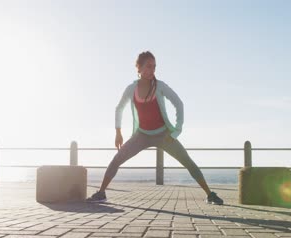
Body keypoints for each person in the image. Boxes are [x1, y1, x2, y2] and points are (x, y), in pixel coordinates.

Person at [86, 51, 223, 205]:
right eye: (148, 66)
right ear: (139, 68)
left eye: (154, 67)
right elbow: (119, 108)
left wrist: (176, 131)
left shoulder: (160, 86)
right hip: (141, 135)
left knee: (188, 162)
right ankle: (101, 192)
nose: (152, 70)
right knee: (117, 159)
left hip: (164, 135)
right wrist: (118, 132)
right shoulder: (131, 89)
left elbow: (179, 104)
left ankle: (209, 194)